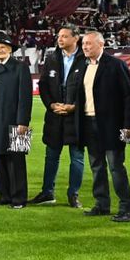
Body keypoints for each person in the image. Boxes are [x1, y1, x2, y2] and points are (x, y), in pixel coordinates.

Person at [74, 31, 130, 222]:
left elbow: (128, 97)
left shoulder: (116, 65)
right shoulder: (82, 66)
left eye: (89, 44)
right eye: (83, 44)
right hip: (88, 123)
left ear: (101, 44)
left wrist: (128, 125)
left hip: (111, 125)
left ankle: (127, 208)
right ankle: (102, 204)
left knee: (116, 166)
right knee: (96, 166)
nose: (85, 47)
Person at [34, 26, 87, 207]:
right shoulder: (52, 58)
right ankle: (47, 192)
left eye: (64, 36)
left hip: (77, 117)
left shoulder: (85, 59)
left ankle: (73, 194)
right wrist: (51, 104)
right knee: (51, 156)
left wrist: (75, 107)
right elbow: (43, 85)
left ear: (76, 38)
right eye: (59, 36)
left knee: (77, 158)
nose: (60, 39)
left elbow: (90, 88)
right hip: (55, 115)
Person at [0, 35, 32, 209]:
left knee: (16, 162)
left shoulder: (20, 68)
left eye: (2, 48)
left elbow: (25, 98)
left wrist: (23, 121)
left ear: (10, 50)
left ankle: (19, 199)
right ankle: (5, 196)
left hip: (15, 122)